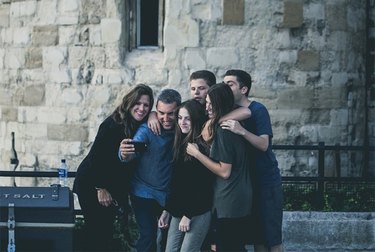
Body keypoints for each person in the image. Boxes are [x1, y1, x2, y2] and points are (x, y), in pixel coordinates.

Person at [73, 84, 154, 251]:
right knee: (97, 232)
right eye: (138, 103)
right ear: (129, 103)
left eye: (146, 105)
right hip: (93, 184)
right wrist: (100, 188)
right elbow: (96, 157)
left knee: (105, 233)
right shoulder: (113, 124)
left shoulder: (138, 123)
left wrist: (153, 115)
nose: (142, 108)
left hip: (112, 186)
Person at [221, 69, 283, 252]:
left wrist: (242, 131)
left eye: (230, 84)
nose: (226, 87)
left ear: (244, 89)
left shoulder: (258, 109)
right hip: (246, 184)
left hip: (266, 181)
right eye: (224, 83)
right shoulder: (230, 111)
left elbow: (264, 144)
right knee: (257, 236)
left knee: (272, 238)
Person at [186, 83, 252, 251]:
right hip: (236, 197)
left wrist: (197, 154)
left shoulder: (224, 131)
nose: (207, 107)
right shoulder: (229, 125)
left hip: (230, 199)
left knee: (228, 247)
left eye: (211, 103)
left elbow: (224, 171)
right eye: (206, 102)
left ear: (221, 104)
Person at [119, 89, 182, 252]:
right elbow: (133, 148)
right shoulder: (147, 129)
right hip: (143, 191)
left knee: (167, 238)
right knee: (148, 236)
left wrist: (153, 114)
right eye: (161, 113)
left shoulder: (183, 128)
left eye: (171, 114)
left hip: (169, 194)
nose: (165, 118)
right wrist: (124, 154)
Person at [160, 99, 214, 251]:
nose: (182, 122)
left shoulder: (199, 147)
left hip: (198, 210)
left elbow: (202, 186)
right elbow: (177, 183)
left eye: (187, 118)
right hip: (179, 210)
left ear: (196, 119)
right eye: (180, 118)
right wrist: (167, 210)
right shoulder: (179, 143)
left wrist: (188, 215)